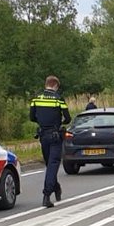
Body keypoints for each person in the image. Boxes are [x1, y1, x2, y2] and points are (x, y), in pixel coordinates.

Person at [29, 76, 71, 208]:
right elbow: (68, 118)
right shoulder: (58, 99)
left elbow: (31, 117)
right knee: (53, 165)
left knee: (49, 164)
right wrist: (60, 122)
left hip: (43, 135)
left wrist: (42, 122)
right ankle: (47, 195)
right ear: (56, 86)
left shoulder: (36, 98)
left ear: (46, 84)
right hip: (55, 136)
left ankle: (56, 187)